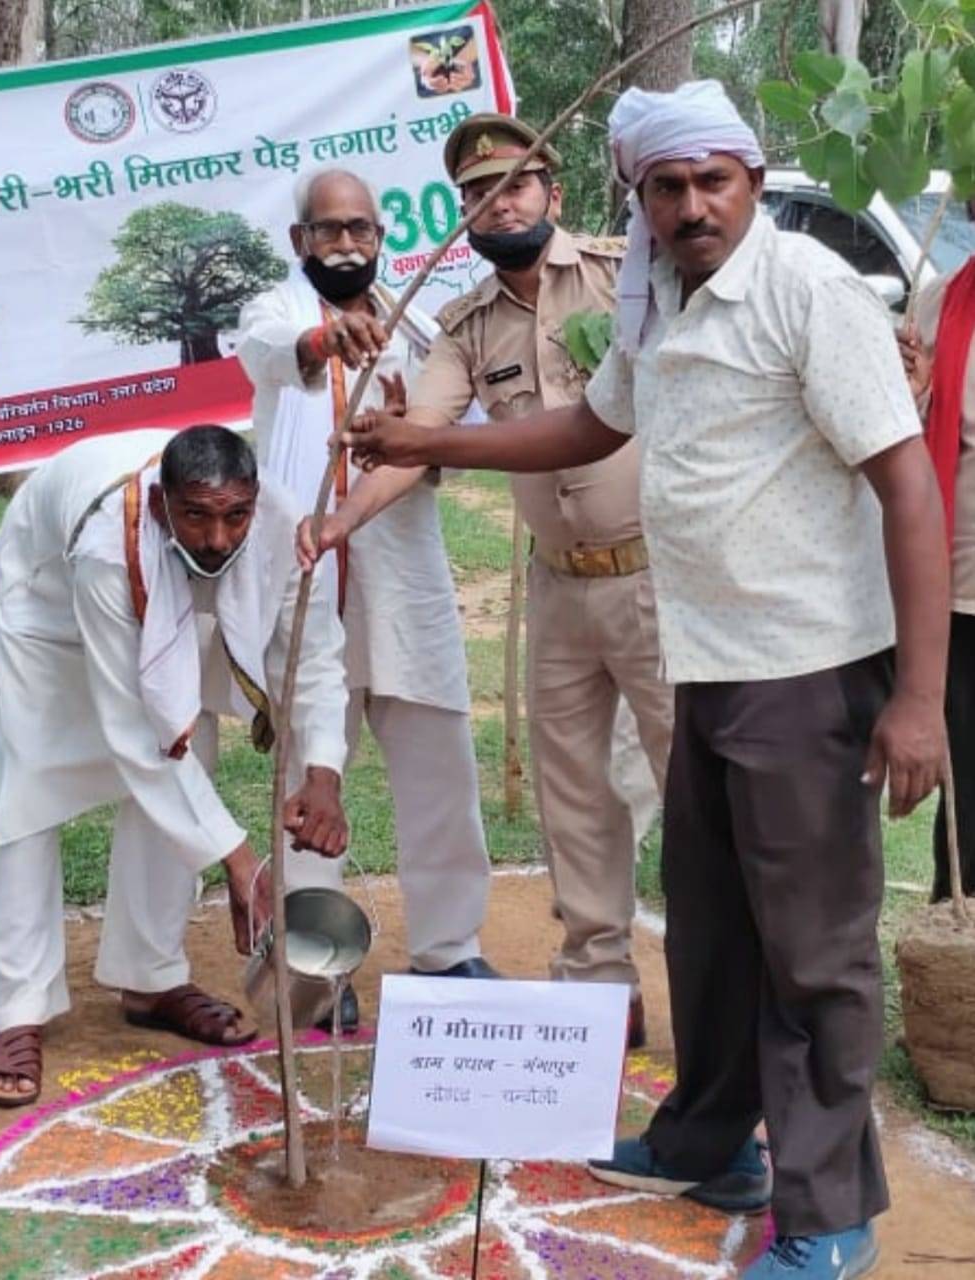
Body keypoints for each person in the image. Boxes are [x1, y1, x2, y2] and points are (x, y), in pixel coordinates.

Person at [340, 81, 949, 1279]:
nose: (688, 206)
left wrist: (916, 697)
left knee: (811, 953)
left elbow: (907, 485)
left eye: (710, 181)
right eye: (665, 187)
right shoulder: (653, 302)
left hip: (807, 669)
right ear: (640, 197)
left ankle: (828, 1211)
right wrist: (427, 442)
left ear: (752, 184)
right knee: (713, 929)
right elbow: (589, 428)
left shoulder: (806, 294)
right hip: (708, 661)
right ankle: (710, 1139)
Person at [396, 113, 674, 1049]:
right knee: (573, 793)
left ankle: (731, 980)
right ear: (462, 216)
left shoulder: (624, 274)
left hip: (660, 578)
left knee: (698, 786)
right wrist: (341, 513)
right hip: (558, 586)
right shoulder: (466, 324)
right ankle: (600, 982)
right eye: (476, 194)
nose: (496, 202)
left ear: (551, 192)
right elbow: (417, 433)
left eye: (513, 184)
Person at [0, 425, 349, 1108]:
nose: (218, 539)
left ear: (254, 501)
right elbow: (135, 733)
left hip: (163, 608)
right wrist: (241, 860)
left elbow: (315, 653)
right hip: (49, 614)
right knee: (31, 795)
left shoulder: (280, 525)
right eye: (197, 516)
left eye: (234, 516)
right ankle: (15, 1011)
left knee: (190, 749)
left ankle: (150, 977)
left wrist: (323, 769)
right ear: (160, 507)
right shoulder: (105, 544)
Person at [237, 167, 497, 1033]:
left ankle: (449, 950)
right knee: (314, 770)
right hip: (302, 578)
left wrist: (416, 435)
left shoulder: (420, 324)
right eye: (329, 230)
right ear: (299, 242)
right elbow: (274, 357)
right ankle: (317, 962)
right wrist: (325, 346)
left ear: (382, 238)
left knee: (440, 766)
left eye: (361, 229)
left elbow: (456, 440)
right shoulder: (273, 315)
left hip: (403, 578)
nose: (346, 244)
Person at [899, 260, 975, 900]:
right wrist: (915, 391)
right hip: (962, 595)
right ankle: (961, 963)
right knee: (969, 793)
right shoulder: (939, 302)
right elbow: (903, 436)